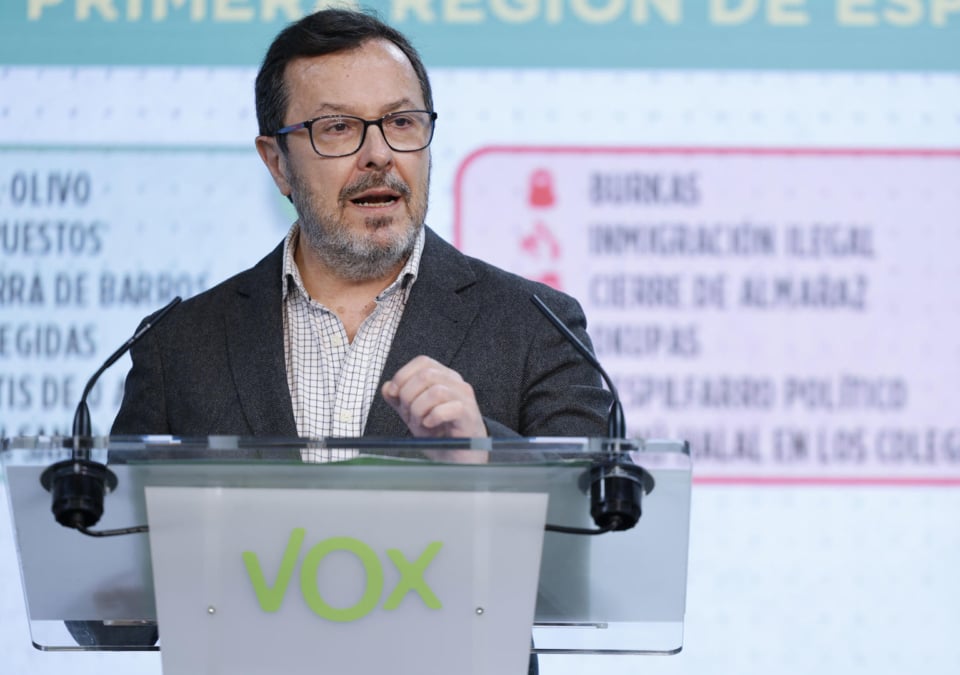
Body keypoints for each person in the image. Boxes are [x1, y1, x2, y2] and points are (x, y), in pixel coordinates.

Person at [72, 9, 612, 667]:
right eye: (338, 129)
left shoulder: (536, 324)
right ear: (277, 163)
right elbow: (115, 600)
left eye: (401, 122)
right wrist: (104, 572)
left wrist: (483, 459)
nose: (379, 153)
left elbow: (590, 556)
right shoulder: (180, 344)